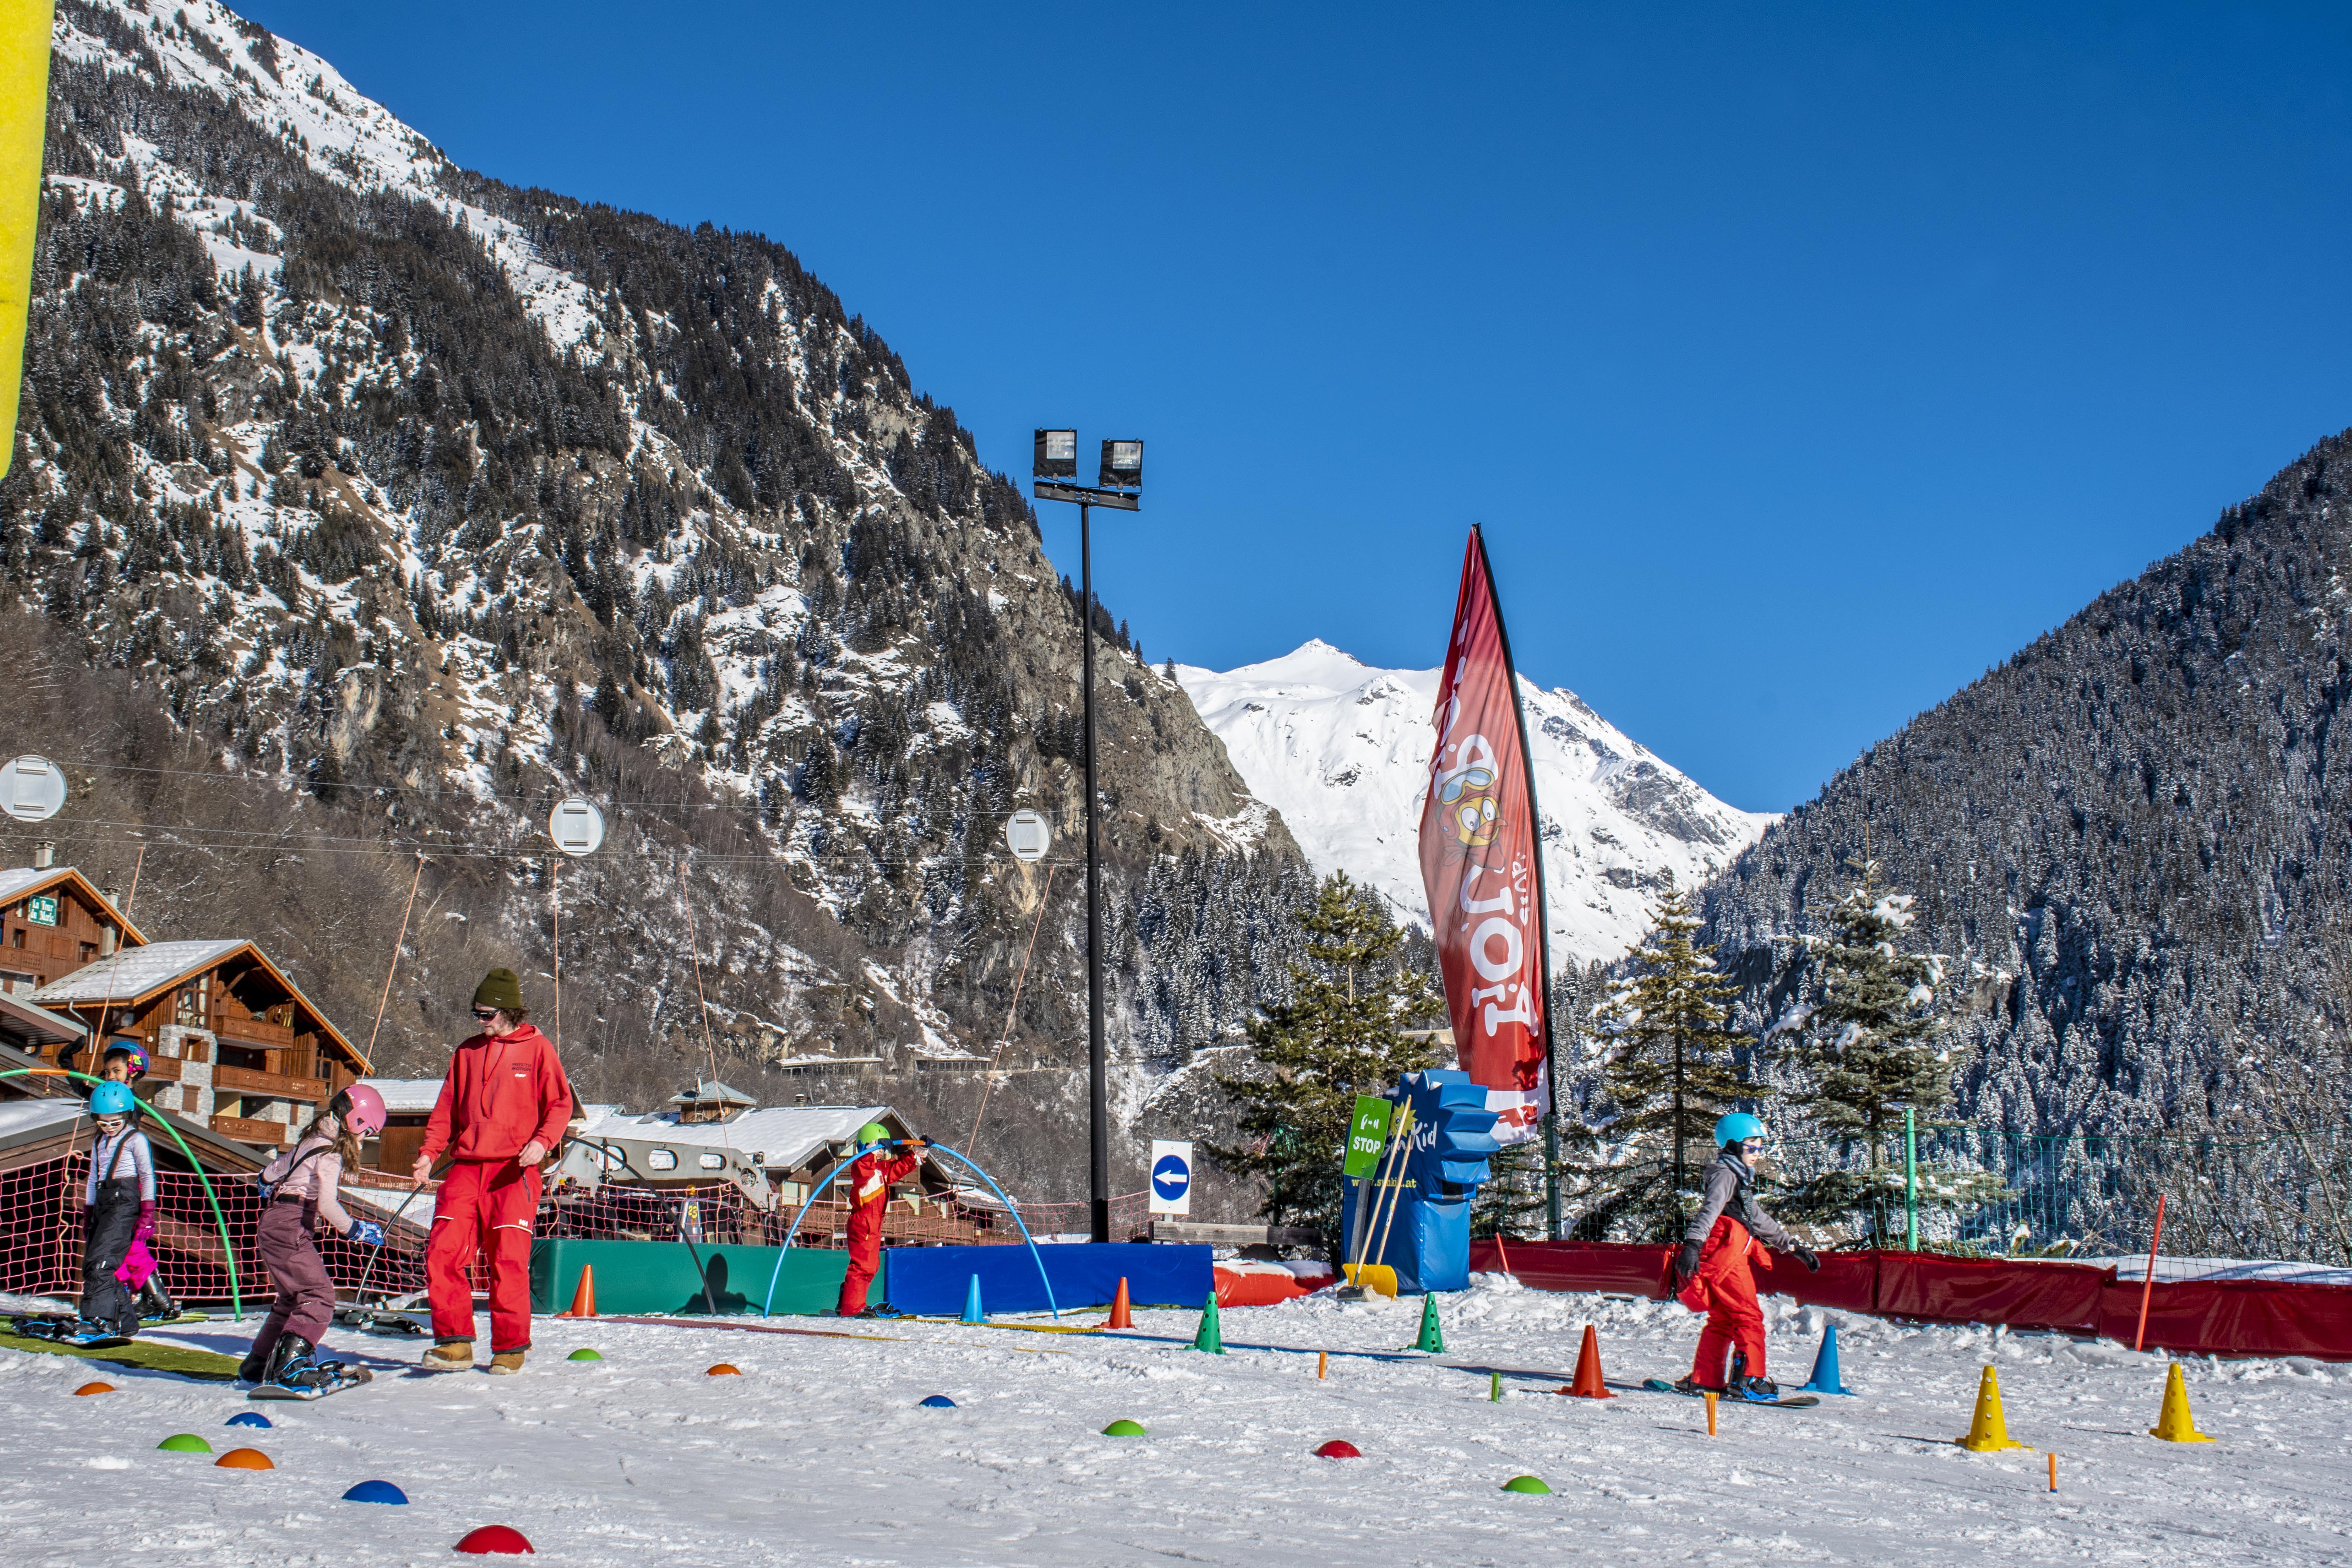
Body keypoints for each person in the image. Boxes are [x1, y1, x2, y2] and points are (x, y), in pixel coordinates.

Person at [410, 969, 573, 1375]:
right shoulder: (465, 1053)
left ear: (509, 1011)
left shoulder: (538, 1050)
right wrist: (429, 1153)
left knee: (508, 1259)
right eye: (476, 1014)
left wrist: (542, 1143)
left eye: (486, 1014)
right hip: (466, 1168)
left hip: (513, 1170)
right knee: (443, 1253)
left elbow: (560, 1105)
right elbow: (446, 1110)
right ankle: (454, 1343)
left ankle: (511, 1345)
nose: (480, 1022)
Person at [238, 1086, 388, 1386]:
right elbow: (328, 1204)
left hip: (274, 1220)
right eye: (366, 1132)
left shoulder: (312, 1140)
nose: (363, 1141)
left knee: (292, 1298)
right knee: (319, 1296)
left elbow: (271, 1172)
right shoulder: (331, 1153)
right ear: (356, 1122)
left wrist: (266, 1183)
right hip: (293, 1222)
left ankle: (259, 1363)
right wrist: (356, 1230)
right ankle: (290, 1367)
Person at [1670, 1113, 1819, 1400]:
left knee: (1724, 1318)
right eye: (1752, 1147)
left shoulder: (1736, 1176)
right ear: (1734, 1146)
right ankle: (1751, 1380)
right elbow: (1710, 1210)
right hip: (1728, 1254)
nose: (1757, 1154)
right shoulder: (1726, 1175)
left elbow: (1756, 1218)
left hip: (1728, 1249)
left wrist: (1791, 1246)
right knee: (1748, 1315)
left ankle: (1706, 1379)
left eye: (1760, 1148)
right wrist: (1692, 1244)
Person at [93, 1043, 178, 1323]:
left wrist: (147, 1210)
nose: (110, 1078)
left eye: (117, 1071)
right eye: (106, 1073)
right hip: (109, 1186)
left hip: (127, 1187)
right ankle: (145, 1297)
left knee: (127, 1245)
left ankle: (154, 1298)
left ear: (132, 1073)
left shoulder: (128, 1101)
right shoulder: (108, 1098)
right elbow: (87, 1094)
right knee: (118, 1245)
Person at [76, 1083, 152, 1340]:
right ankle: (126, 1321)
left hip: (125, 1202)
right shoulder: (99, 1141)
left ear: (127, 1116)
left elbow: (147, 1176)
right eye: (103, 1123)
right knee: (93, 1264)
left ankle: (100, 1319)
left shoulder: (136, 1139)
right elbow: (92, 1178)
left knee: (102, 1263)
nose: (109, 1128)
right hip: (103, 1202)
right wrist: (88, 1212)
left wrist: (147, 1213)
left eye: (115, 1122)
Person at [836, 1122, 925, 1317]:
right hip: (863, 1224)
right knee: (864, 1266)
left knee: (872, 1265)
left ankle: (847, 1300)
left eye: (883, 1151)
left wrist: (916, 1152)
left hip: (873, 1224)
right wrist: (870, 1151)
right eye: (878, 1149)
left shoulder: (879, 1170)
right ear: (866, 1147)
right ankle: (852, 1308)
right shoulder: (861, 1167)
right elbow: (862, 1167)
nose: (881, 1154)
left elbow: (897, 1168)